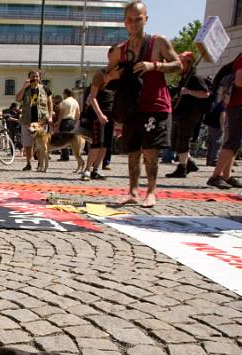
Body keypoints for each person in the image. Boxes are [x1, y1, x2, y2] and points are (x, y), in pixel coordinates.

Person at [108, 1, 181, 207]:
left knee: (151, 150)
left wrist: (154, 65)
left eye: (138, 19)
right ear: (124, 22)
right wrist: (111, 76)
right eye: (130, 19)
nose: (133, 23)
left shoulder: (158, 42)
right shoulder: (120, 50)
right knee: (132, 151)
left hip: (155, 104)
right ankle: (132, 191)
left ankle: (151, 191)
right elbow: (104, 77)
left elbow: (178, 65)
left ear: (145, 19)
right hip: (132, 106)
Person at [165, 51, 210, 178]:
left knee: (183, 139)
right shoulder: (184, 78)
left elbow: (206, 94)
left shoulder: (195, 78)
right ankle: (189, 163)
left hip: (191, 113)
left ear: (189, 63)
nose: (179, 65)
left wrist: (189, 92)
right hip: (182, 113)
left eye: (181, 62)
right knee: (176, 140)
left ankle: (182, 168)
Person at [207, 50, 242, 189]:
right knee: (234, 141)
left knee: (235, 142)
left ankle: (226, 175)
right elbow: (240, 81)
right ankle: (215, 176)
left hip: (238, 105)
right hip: (239, 105)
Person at [80, 46, 117, 180]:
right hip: (98, 114)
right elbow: (91, 97)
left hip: (111, 113)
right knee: (97, 143)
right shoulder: (100, 74)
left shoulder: (118, 76)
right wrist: (100, 115)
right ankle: (87, 169)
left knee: (106, 144)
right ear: (109, 56)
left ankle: (95, 169)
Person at [16, 70, 52, 171]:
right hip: (27, 120)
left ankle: (40, 164)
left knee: (41, 145)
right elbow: (18, 99)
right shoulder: (26, 89)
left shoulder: (45, 88)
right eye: (33, 77)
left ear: (39, 78)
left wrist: (50, 116)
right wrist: (23, 87)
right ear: (29, 78)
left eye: (36, 76)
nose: (35, 78)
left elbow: (50, 102)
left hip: (41, 121)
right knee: (28, 144)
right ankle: (28, 163)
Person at [56, 88, 80, 161]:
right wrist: (75, 122)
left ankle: (64, 156)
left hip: (64, 121)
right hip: (72, 121)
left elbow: (61, 113)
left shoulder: (65, 102)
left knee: (63, 139)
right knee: (70, 139)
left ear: (65, 93)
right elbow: (78, 113)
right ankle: (68, 154)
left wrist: (58, 123)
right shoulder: (75, 102)